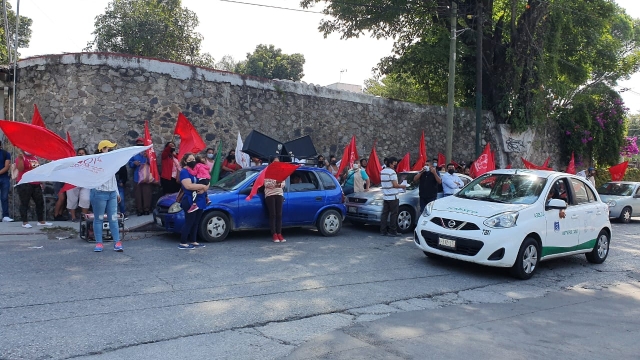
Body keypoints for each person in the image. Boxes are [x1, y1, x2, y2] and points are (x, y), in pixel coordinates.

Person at [91, 140, 123, 252]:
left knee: (113, 218)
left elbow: (113, 178)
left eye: (111, 148)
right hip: (99, 193)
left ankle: (117, 242)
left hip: (112, 193)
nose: (110, 150)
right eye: (108, 148)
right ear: (102, 149)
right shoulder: (95, 162)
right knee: (99, 218)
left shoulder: (112, 162)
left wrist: (117, 192)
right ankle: (99, 243)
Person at [15, 149, 51, 228]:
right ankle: (25, 222)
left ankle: (41, 221)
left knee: (40, 202)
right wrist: (21, 159)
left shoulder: (34, 157)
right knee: (25, 202)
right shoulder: (20, 157)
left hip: (35, 183)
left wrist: (40, 182)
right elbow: (20, 169)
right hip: (24, 183)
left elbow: (37, 170)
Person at [178, 153, 207, 249]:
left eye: (193, 159)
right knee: (189, 221)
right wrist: (202, 187)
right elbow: (188, 186)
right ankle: (183, 242)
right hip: (190, 199)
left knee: (196, 221)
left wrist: (204, 188)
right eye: (190, 159)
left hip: (200, 199)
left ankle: (193, 241)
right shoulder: (184, 172)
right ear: (185, 161)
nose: (192, 161)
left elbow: (206, 181)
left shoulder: (197, 170)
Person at [380, 157, 407, 237]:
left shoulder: (382, 172)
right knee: (393, 214)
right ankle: (392, 231)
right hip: (393, 197)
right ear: (391, 163)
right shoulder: (392, 172)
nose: (395, 165)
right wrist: (403, 186)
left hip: (386, 196)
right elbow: (395, 185)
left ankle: (383, 231)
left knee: (384, 214)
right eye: (395, 163)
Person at [128, 141, 153, 216]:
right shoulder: (134, 154)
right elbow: (130, 163)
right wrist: (134, 163)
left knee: (147, 193)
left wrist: (147, 157)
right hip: (137, 177)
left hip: (146, 177)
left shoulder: (148, 153)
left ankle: (147, 209)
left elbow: (152, 163)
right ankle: (139, 210)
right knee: (138, 194)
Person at [265, 156, 286, 243]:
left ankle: (279, 233)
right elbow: (266, 183)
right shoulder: (267, 170)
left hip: (279, 193)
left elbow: (283, 183)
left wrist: (279, 183)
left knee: (279, 214)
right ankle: (274, 233)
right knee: (272, 214)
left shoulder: (280, 171)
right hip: (270, 194)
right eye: (275, 161)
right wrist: (275, 182)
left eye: (278, 162)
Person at [66, 148, 91, 222]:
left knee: (86, 199)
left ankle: (84, 217)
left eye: (82, 153)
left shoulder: (89, 162)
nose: (81, 154)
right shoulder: (72, 161)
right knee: (72, 199)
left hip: (85, 183)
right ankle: (73, 217)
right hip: (73, 183)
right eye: (79, 153)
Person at [0, 140, 13, 222]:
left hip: (4, 178)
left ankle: (5, 216)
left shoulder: (5, 153)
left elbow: (7, 167)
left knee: (4, 197)